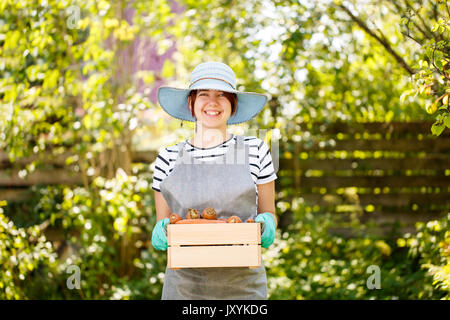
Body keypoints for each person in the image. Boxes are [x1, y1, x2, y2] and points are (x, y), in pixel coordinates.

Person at [151, 61, 277, 300]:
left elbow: (269, 212)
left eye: (222, 95)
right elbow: (165, 222)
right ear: (191, 103)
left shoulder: (256, 150)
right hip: (184, 290)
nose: (213, 102)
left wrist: (268, 223)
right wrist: (160, 230)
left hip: (244, 289)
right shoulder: (167, 158)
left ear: (233, 103)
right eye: (203, 94)